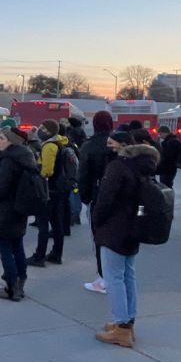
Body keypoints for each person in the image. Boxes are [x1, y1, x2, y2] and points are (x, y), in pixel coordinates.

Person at [92, 139, 161, 347]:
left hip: (114, 228)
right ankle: (128, 321)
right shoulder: (144, 170)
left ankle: (120, 326)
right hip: (134, 228)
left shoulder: (118, 168)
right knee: (128, 275)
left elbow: (104, 200)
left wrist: (97, 221)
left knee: (113, 277)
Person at [0, 127, 37, 301]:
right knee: (17, 246)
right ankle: (21, 281)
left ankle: (11, 285)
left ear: (11, 141)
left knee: (5, 247)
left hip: (6, 210)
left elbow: (1, 189)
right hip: (20, 209)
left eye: (2, 138)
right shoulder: (27, 157)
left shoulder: (9, 161)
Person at [78, 110, 115, 292]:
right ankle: (117, 275)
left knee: (99, 237)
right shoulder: (119, 143)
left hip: (97, 196)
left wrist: (85, 197)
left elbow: (83, 174)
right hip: (120, 197)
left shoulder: (89, 146)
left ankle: (104, 278)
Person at [29, 120, 69, 267]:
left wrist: (38, 173)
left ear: (48, 131)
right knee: (57, 223)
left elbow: (47, 170)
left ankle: (39, 255)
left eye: (42, 128)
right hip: (58, 188)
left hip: (48, 189)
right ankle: (56, 254)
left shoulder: (48, 146)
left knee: (43, 223)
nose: (39, 130)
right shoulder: (61, 143)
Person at [157, 124, 181, 188]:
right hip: (170, 168)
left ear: (165, 133)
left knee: (166, 185)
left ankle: (168, 197)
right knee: (166, 184)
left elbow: (168, 156)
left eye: (160, 134)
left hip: (168, 169)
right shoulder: (172, 140)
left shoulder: (171, 142)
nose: (159, 136)